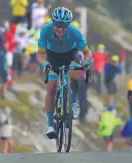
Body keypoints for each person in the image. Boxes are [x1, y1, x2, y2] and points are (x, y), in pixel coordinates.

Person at [37, 7, 93, 139]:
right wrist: (45, 64)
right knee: (51, 87)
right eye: (57, 25)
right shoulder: (46, 29)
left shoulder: (74, 32)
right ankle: (50, 125)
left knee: (75, 71)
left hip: (70, 56)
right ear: (53, 22)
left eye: (63, 26)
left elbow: (87, 52)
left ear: (68, 25)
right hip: (52, 57)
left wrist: (86, 63)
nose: (60, 29)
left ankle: (73, 100)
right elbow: (40, 53)